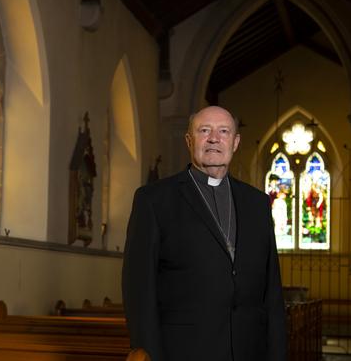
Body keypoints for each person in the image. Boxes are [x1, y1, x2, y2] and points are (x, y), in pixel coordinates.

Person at [122, 106, 287, 361]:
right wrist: (149, 354)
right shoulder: (154, 200)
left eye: (223, 131)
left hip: (249, 350)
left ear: (235, 142)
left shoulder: (257, 203)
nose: (214, 138)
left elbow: (272, 292)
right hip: (183, 350)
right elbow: (139, 289)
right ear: (189, 140)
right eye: (204, 131)